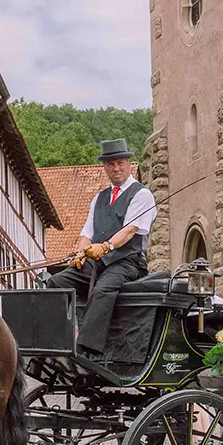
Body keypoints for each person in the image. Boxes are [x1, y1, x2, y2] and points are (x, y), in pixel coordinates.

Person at [45, 138, 157, 363]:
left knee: (103, 289)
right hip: (99, 262)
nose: (116, 168)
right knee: (56, 283)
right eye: (111, 164)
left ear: (128, 164)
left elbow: (129, 231)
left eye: (120, 163)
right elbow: (87, 232)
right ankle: (57, 341)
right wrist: (79, 253)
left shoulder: (142, 195)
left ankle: (88, 351)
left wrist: (106, 246)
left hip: (128, 262)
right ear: (105, 167)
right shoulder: (100, 198)